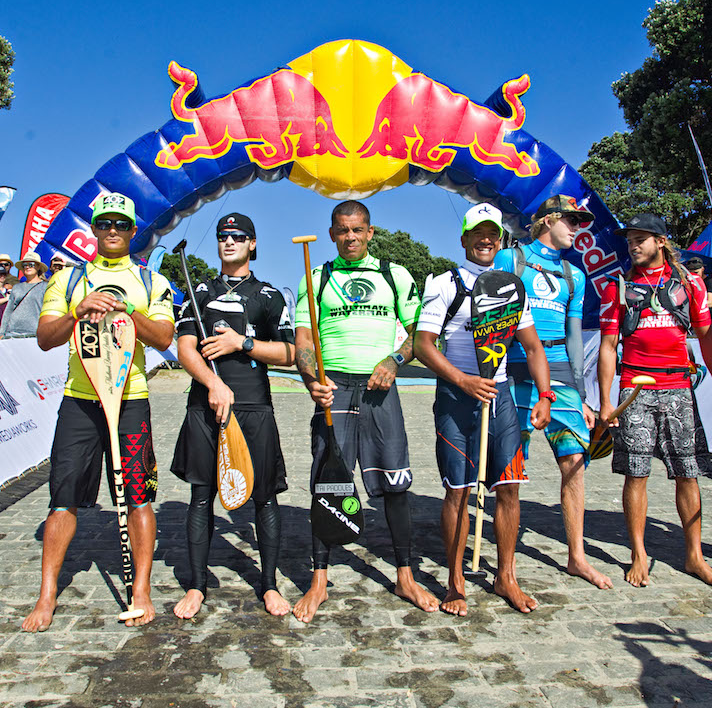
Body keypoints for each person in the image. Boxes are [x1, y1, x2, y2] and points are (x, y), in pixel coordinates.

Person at [23, 193, 175, 632]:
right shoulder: (68, 280)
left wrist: (128, 310)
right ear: (93, 228)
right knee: (63, 499)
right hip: (79, 401)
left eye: (121, 224)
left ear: (132, 231)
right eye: (104, 223)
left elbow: (163, 338)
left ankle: (141, 592)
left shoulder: (151, 281)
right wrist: (78, 311)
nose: (112, 230)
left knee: (139, 497)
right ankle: (47, 595)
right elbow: (45, 338)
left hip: (130, 401)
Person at [291, 199, 439, 623]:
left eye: (358, 230)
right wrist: (311, 381)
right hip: (334, 387)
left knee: (395, 485)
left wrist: (394, 360)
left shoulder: (395, 275)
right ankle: (318, 580)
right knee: (328, 485)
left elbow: (418, 334)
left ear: (370, 232)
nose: (350, 237)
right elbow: (304, 339)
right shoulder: (314, 278)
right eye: (342, 230)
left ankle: (405, 576)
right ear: (332, 232)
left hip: (379, 391)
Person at [414, 203, 551, 615]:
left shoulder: (513, 286)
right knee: (457, 490)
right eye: (478, 233)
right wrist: (463, 380)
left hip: (501, 396)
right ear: (464, 240)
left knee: (509, 489)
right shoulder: (444, 284)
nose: (486, 239)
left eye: (492, 232)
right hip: (458, 398)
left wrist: (545, 396)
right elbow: (423, 344)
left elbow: (531, 346)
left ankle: (505, 575)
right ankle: (455, 582)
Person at [171, 213, 296, 618]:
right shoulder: (200, 291)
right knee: (201, 495)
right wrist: (213, 384)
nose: (229, 242)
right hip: (206, 405)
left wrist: (241, 343)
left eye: (238, 237)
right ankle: (196, 585)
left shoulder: (269, 294)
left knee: (264, 498)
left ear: (253, 244)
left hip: (255, 407)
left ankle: (270, 584)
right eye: (224, 236)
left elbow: (289, 354)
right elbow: (185, 348)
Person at [597, 213, 712, 589]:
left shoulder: (690, 286)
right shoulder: (618, 287)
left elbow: (706, 338)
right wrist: (607, 401)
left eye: (641, 239)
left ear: (660, 242)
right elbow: (608, 347)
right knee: (636, 473)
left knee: (688, 474)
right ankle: (638, 553)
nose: (633, 246)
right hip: (635, 390)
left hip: (679, 390)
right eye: (630, 240)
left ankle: (695, 556)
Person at [491, 194, 607, 589]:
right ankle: (505, 565)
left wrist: (582, 392)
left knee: (575, 462)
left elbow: (575, 338)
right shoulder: (511, 259)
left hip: (560, 371)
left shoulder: (576, 274)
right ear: (547, 221)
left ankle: (577, 556)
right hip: (515, 369)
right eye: (571, 220)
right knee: (511, 470)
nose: (577, 228)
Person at [0, 252, 48, 338]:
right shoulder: (16, 287)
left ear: (38, 267)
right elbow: (8, 310)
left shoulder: (45, 287)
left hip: (34, 332)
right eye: (25, 264)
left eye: (31, 264)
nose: (28, 266)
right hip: (12, 332)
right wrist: (2, 333)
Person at [684, 256, 712, 334]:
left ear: (702, 269)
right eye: (690, 273)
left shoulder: (710, 282)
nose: (693, 276)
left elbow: (710, 303)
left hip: (710, 325)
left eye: (696, 273)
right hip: (693, 324)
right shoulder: (688, 283)